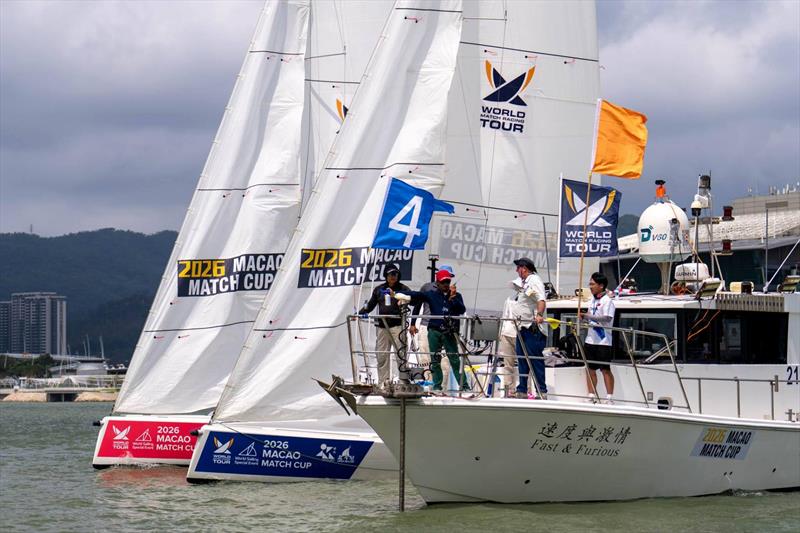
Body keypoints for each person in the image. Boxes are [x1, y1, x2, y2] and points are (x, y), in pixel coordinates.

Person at [397, 269, 467, 392]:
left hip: (449, 332)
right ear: (437, 283)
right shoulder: (431, 294)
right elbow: (415, 295)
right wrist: (395, 292)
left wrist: (453, 299)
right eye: (443, 282)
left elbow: (461, 310)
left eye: (447, 281)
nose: (446, 284)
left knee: (454, 360)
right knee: (434, 360)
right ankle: (437, 386)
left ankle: (464, 387)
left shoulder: (457, 295)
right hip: (434, 331)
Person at [358, 264, 412, 387]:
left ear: (398, 275)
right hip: (382, 327)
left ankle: (404, 382)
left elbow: (412, 299)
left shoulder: (404, 288)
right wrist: (360, 313)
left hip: (398, 327)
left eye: (395, 274)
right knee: (382, 356)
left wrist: (402, 298)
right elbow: (370, 305)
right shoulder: (378, 289)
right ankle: (384, 383)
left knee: (401, 355)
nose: (393, 277)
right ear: (386, 276)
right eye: (390, 274)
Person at [509, 257, 548, 399]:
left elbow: (541, 299)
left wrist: (539, 315)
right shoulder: (525, 283)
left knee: (534, 359)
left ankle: (541, 391)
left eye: (518, 267)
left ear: (524, 268)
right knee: (521, 359)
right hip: (522, 327)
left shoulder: (534, 280)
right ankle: (522, 390)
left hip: (532, 328)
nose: (516, 270)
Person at [409, 265, 454, 381]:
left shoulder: (451, 291)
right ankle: (429, 388)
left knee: (444, 362)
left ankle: (442, 390)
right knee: (426, 360)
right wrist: (413, 323)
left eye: (449, 279)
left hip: (445, 329)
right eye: (445, 278)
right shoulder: (427, 287)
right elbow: (418, 305)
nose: (447, 282)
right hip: (425, 326)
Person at [579, 272, 616, 403]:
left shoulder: (607, 301)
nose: (590, 286)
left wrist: (588, 316)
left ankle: (609, 397)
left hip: (604, 341)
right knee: (590, 369)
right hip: (590, 340)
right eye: (590, 284)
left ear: (601, 286)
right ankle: (591, 396)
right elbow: (591, 316)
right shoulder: (592, 300)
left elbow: (607, 318)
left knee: (605, 369)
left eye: (592, 284)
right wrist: (584, 319)